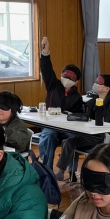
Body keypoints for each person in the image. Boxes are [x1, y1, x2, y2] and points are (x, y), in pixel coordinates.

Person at [54, 74, 110, 182]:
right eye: (96, 81)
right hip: (97, 135)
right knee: (69, 142)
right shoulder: (92, 101)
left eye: (99, 83)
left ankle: (92, 175)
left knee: (97, 151)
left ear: (107, 88)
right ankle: (60, 171)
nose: (95, 84)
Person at [37, 36, 83, 168]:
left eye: (71, 77)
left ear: (76, 82)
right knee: (48, 136)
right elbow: (46, 69)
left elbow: (78, 116)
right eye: (65, 75)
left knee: (73, 138)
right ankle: (47, 170)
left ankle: (71, 170)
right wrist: (45, 52)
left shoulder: (77, 97)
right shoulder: (53, 85)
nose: (66, 78)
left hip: (68, 127)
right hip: (51, 125)